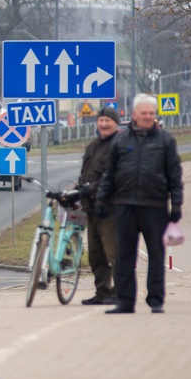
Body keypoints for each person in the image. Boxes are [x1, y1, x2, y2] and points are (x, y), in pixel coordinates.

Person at [96, 94, 183, 314]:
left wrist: (177, 205)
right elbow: (110, 174)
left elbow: (175, 174)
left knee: (156, 255)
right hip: (124, 205)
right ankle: (125, 302)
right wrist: (102, 199)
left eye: (151, 113)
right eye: (144, 113)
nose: (148, 117)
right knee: (124, 255)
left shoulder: (165, 140)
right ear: (134, 115)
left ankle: (155, 300)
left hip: (154, 206)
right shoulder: (121, 140)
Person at [78, 106, 121, 305]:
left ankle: (120, 292)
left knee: (113, 252)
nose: (103, 124)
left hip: (110, 208)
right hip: (91, 207)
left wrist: (92, 188)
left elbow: (112, 176)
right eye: (101, 120)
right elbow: (84, 174)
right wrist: (76, 192)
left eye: (108, 121)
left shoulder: (119, 145)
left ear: (116, 124)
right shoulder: (93, 146)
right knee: (95, 254)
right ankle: (102, 292)